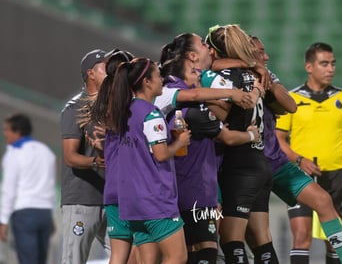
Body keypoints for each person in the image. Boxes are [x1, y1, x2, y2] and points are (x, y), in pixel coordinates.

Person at [159, 54, 261, 264]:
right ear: (182, 79)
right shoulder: (194, 112)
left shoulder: (172, 106)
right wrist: (252, 135)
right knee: (207, 248)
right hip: (197, 190)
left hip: (182, 187)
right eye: (192, 72)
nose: (198, 75)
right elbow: (227, 136)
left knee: (191, 249)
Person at [276, 42, 342, 264]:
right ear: (309, 67)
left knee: (334, 240)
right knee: (301, 237)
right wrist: (299, 159)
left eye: (333, 63)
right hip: (301, 178)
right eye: (324, 64)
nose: (331, 69)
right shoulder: (292, 99)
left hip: (336, 177)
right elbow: (278, 140)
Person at [206, 24, 278, 264]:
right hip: (259, 163)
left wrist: (204, 104)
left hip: (239, 164)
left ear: (216, 51)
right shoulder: (253, 73)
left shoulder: (225, 77)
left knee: (231, 239)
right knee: (262, 241)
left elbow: (223, 115)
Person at [107, 57, 190, 264]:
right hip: (154, 199)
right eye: (158, 76)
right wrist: (180, 142)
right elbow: (160, 154)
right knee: (177, 257)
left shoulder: (124, 111)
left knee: (148, 260)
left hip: (132, 202)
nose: (162, 80)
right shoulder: (151, 114)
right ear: (147, 81)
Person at [85, 49, 142, 264]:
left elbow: (112, 156)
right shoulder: (139, 109)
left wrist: (101, 149)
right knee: (141, 251)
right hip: (137, 191)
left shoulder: (106, 107)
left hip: (113, 190)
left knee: (117, 257)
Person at [60, 49, 110, 264]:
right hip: (83, 199)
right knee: (74, 260)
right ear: (91, 73)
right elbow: (70, 157)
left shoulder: (112, 106)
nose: (111, 71)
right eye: (105, 66)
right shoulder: (74, 108)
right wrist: (94, 161)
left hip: (112, 199)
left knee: (128, 257)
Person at [0, 113, 56, 264]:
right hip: (44, 213)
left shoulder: (14, 154)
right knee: (41, 260)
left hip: (24, 213)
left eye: (7, 130)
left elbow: (8, 190)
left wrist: (3, 220)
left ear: (17, 131)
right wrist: (51, 216)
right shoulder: (46, 152)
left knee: (27, 260)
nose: (5, 134)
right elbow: (50, 185)